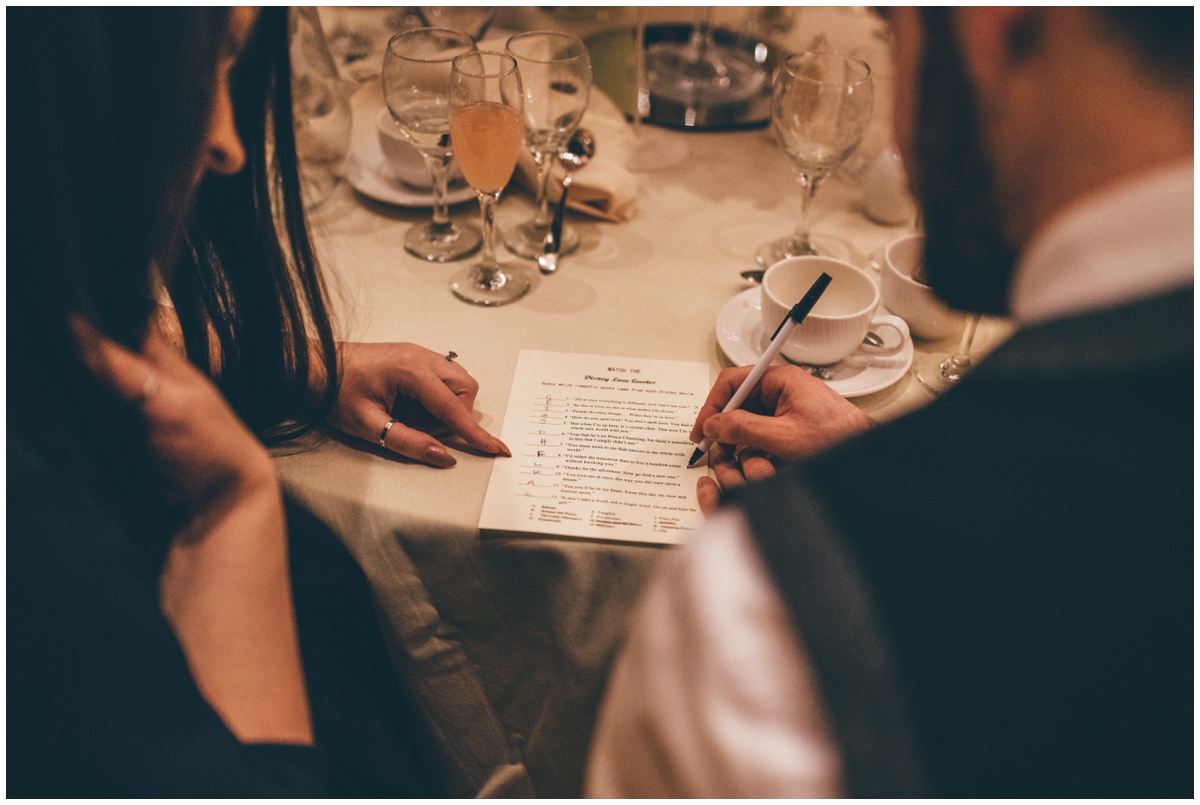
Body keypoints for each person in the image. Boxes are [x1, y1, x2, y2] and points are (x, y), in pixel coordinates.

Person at [587, 7, 1192, 798]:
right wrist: (880, 452)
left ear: (993, 25)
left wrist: (879, 502)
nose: (902, 150)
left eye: (894, 38)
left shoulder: (772, 618)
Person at [7, 8, 452, 796]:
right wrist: (237, 508)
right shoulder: (40, 538)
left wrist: (293, 361)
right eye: (211, 61)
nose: (226, 141)